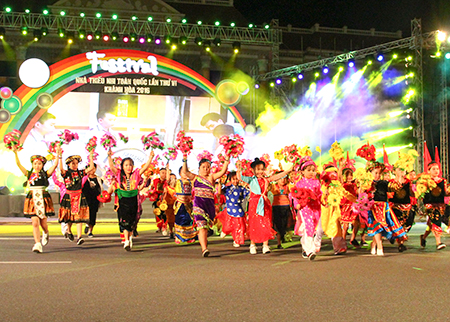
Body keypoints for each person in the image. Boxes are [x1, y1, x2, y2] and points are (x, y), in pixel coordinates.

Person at [237, 158, 293, 255]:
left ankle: (265, 245)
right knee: (254, 224)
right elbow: (240, 177)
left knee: (266, 223)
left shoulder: (266, 180)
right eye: (258, 169)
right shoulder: (251, 180)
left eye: (262, 169)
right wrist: (238, 168)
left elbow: (276, 177)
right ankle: (253, 244)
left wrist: (287, 171)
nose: (260, 172)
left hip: (265, 203)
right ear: (253, 170)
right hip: (254, 204)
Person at [181, 154, 230, 257]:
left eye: (208, 167)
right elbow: (185, 172)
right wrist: (185, 160)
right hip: (198, 205)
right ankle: (204, 249)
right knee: (201, 226)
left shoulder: (211, 177)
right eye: (203, 167)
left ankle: (204, 244)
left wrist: (226, 160)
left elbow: (222, 172)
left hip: (209, 206)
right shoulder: (195, 178)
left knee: (205, 227)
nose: (206, 169)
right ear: (199, 168)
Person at [13, 146, 60, 253]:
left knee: (43, 223)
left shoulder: (45, 174)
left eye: (39, 163)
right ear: (32, 165)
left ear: (42, 165)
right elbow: (18, 164)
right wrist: (15, 153)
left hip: (43, 197)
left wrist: (57, 154)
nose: (37, 165)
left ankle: (46, 233)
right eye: (35, 163)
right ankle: (37, 244)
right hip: (32, 198)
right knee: (35, 222)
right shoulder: (29, 174)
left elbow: (55, 165)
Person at [107, 150, 155, 250]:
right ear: (122, 167)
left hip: (133, 200)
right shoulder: (119, 174)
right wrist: (109, 156)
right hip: (123, 200)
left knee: (131, 221)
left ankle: (129, 238)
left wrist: (150, 158)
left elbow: (145, 167)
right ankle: (126, 241)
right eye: (126, 165)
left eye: (130, 165)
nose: (129, 167)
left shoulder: (136, 174)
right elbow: (112, 167)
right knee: (124, 221)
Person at [366, 161, 406, 256]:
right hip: (372, 207)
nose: (378, 175)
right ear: (370, 173)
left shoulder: (383, 183)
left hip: (383, 208)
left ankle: (374, 244)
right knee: (377, 226)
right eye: (376, 173)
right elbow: (359, 193)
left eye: (380, 173)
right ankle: (379, 246)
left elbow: (396, 187)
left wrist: (400, 175)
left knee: (381, 227)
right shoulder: (366, 182)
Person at [58, 151, 96, 245]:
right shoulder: (66, 173)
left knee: (79, 218)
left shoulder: (80, 173)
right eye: (73, 163)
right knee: (70, 217)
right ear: (69, 164)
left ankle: (79, 237)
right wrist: (59, 157)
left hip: (79, 195)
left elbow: (91, 168)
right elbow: (61, 169)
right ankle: (69, 231)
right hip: (69, 196)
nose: (75, 165)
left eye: (76, 163)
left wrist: (91, 157)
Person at [289, 157, 322, 260]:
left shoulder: (317, 183)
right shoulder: (299, 183)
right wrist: (297, 204)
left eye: (313, 170)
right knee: (309, 227)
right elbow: (293, 195)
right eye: (308, 170)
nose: (311, 172)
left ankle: (305, 244)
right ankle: (310, 251)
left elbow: (320, 194)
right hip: (305, 209)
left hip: (316, 208)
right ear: (302, 171)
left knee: (316, 228)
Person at [419, 162, 448, 250]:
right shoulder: (425, 181)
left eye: (437, 169)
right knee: (436, 220)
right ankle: (438, 242)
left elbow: (446, 192)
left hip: (440, 205)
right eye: (433, 169)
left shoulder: (443, 181)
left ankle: (423, 237)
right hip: (429, 205)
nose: (436, 171)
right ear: (429, 171)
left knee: (432, 224)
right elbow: (421, 193)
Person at [217, 171, 250, 247]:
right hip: (229, 209)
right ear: (230, 180)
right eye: (233, 179)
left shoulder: (242, 188)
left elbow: (250, 192)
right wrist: (219, 183)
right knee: (229, 225)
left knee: (240, 226)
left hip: (239, 210)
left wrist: (248, 184)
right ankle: (225, 231)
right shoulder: (227, 189)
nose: (235, 181)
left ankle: (237, 240)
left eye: (237, 179)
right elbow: (219, 193)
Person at [173, 167, 197, 244]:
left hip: (188, 204)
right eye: (183, 173)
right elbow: (168, 181)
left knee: (189, 220)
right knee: (179, 220)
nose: (185, 174)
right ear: (179, 174)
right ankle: (178, 236)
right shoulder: (177, 181)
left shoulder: (191, 182)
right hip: (180, 204)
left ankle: (189, 237)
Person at [269, 172, 293, 249]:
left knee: (285, 224)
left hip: (286, 207)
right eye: (280, 179)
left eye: (284, 179)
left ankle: (283, 236)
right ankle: (279, 242)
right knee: (278, 225)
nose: (282, 180)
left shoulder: (288, 187)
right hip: (276, 207)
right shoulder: (273, 187)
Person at [82, 163, 103, 238]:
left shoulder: (98, 179)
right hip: (86, 200)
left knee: (93, 215)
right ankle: (87, 224)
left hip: (95, 200)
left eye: (93, 168)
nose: (92, 170)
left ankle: (90, 231)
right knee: (86, 214)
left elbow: (100, 189)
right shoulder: (84, 178)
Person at [162, 172, 177, 239]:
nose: (173, 180)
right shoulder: (167, 188)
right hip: (169, 206)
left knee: (176, 219)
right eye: (172, 178)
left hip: (176, 206)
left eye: (174, 178)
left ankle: (177, 232)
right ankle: (171, 231)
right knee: (170, 220)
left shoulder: (178, 187)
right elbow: (164, 197)